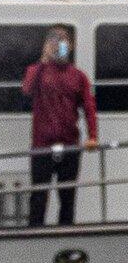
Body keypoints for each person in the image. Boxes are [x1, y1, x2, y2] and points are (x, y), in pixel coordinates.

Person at [22, 25, 99, 226]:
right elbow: (27, 89)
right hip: (42, 146)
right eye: (55, 43)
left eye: (63, 43)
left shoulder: (78, 76)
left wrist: (93, 136)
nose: (59, 47)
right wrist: (43, 60)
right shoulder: (36, 71)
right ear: (48, 45)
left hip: (70, 145)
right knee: (38, 197)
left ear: (70, 46)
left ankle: (66, 234)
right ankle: (34, 238)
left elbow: (89, 107)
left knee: (67, 198)